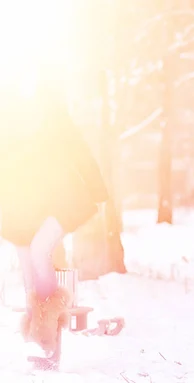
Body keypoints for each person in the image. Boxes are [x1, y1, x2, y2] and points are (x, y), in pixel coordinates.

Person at [0, 76, 109, 362]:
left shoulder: (52, 113)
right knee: (26, 263)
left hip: (58, 196)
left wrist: (97, 188)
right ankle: (41, 343)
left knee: (38, 251)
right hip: (20, 201)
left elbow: (77, 147)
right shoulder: (7, 114)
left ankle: (49, 335)